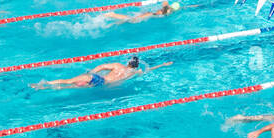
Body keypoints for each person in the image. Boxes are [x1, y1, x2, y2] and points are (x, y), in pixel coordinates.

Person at [30, 55, 171, 89]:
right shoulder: (133, 73)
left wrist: (90, 72)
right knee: (73, 86)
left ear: (128, 62)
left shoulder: (118, 65)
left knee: (68, 81)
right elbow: (149, 70)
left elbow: (102, 66)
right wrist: (163, 64)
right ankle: (44, 89)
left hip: (96, 77)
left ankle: (44, 84)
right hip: (101, 84)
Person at [106, 1, 183, 24]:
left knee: (130, 19)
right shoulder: (169, 11)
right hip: (150, 14)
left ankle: (116, 21)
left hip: (150, 13)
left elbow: (165, 2)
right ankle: (113, 15)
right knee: (133, 20)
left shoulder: (167, 7)